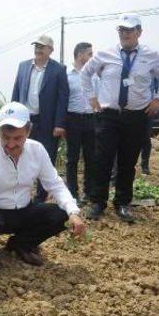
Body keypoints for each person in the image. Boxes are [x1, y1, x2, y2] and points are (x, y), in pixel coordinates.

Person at [0, 102, 86, 273]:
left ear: (28, 131)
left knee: (61, 214)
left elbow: (55, 184)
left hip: (24, 210)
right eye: (6, 137)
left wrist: (73, 212)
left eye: (17, 138)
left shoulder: (37, 150)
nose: (11, 144)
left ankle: (21, 244)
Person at [81, 13, 159, 223]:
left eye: (129, 30)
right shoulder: (105, 54)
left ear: (139, 32)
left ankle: (122, 203)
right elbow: (85, 74)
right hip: (108, 116)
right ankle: (98, 202)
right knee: (102, 159)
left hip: (136, 117)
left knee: (127, 161)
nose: (125, 34)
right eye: (121, 30)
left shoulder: (151, 55)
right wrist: (91, 98)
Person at [11, 34, 68, 202]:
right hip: (25, 122)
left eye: (42, 46)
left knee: (46, 158)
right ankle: (19, 193)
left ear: (50, 50)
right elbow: (16, 92)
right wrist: (12, 117)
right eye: (36, 46)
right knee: (20, 156)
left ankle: (41, 196)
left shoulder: (58, 70)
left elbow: (63, 98)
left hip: (47, 123)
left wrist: (59, 124)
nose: (38, 49)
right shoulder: (23, 67)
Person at [65, 42, 95, 203]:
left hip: (91, 119)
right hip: (73, 119)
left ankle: (89, 192)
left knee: (90, 158)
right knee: (72, 158)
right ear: (80, 54)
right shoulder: (66, 75)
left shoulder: (93, 74)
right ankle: (72, 193)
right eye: (89, 54)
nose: (92, 57)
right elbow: (63, 99)